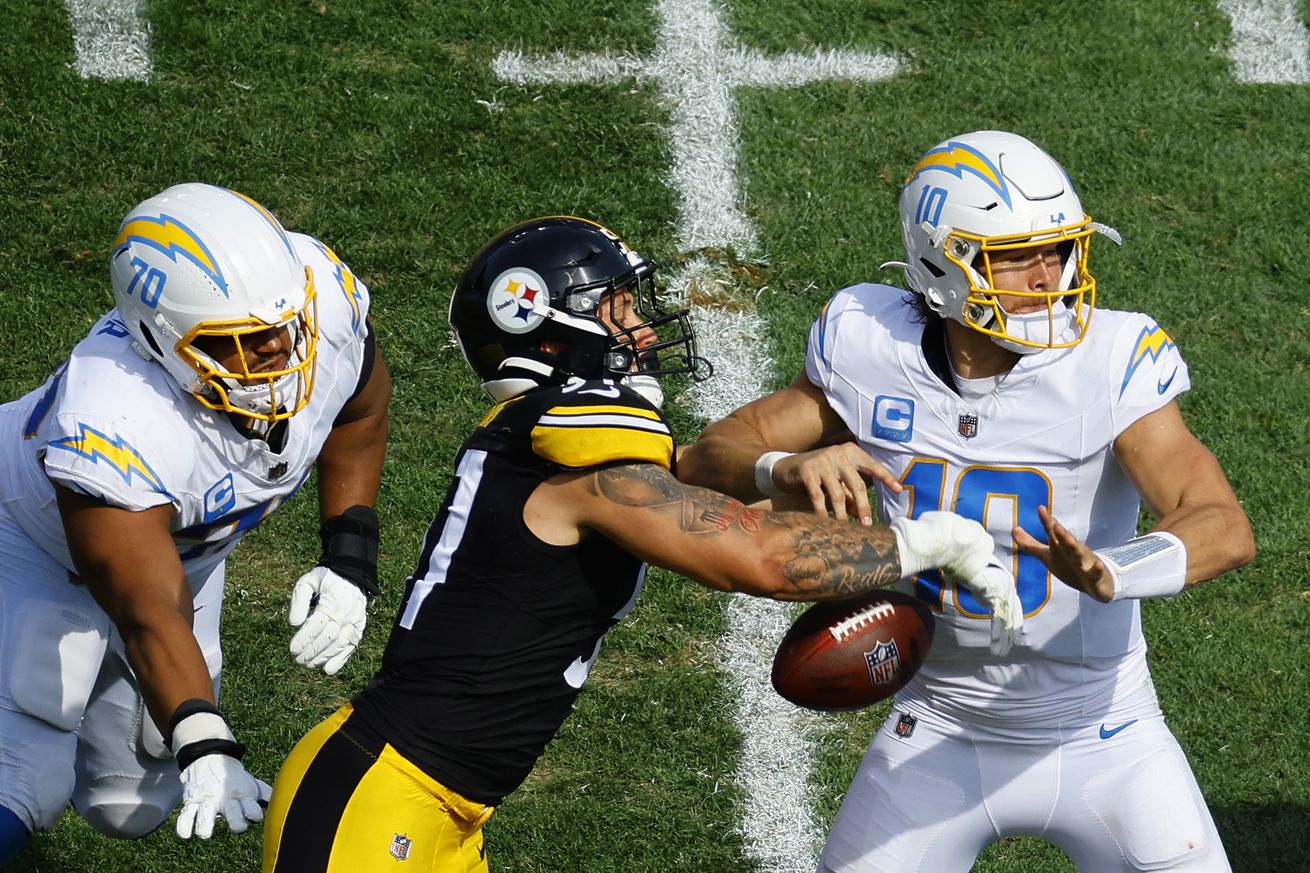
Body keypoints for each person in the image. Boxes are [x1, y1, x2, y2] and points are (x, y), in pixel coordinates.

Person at [260, 216, 1019, 873]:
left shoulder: (553, 435)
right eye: (619, 307)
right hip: (379, 796)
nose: (646, 328)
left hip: (435, 801)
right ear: (544, 323)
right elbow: (747, 552)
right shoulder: (572, 445)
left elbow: (691, 480)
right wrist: (932, 541)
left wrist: (778, 466)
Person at [679, 130, 1256, 872]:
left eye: (1060, 249)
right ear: (939, 264)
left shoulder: (1111, 359)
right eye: (1017, 255)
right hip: (939, 724)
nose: (1050, 276)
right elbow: (707, 457)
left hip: (1107, 732)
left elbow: (1222, 523)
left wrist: (1113, 569)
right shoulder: (868, 342)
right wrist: (782, 466)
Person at [0, 182, 392, 861]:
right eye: (241, 342)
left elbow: (358, 411)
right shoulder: (115, 415)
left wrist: (349, 555)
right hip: (33, 542)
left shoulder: (315, 300)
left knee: (131, 799)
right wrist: (206, 740)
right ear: (160, 339)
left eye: (284, 327)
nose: (279, 352)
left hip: (181, 555)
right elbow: (146, 608)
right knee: (25, 776)